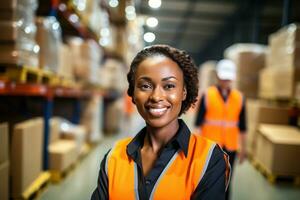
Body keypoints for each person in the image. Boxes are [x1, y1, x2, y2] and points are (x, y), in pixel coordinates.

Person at [91, 45, 230, 200]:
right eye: (145, 86)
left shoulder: (208, 159)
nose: (156, 96)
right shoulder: (113, 158)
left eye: (169, 86)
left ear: (184, 91)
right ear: (133, 93)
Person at [194, 59, 247, 200]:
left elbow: (243, 126)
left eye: (228, 79)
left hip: (230, 147)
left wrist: (244, 148)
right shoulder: (208, 95)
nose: (226, 82)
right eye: (223, 78)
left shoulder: (239, 98)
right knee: (208, 179)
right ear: (218, 77)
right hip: (210, 147)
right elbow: (198, 124)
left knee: (226, 180)